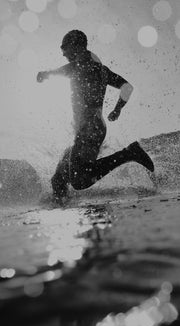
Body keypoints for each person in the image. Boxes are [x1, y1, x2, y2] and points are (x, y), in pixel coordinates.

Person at [37, 30, 154, 203]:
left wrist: (48, 73)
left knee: (79, 180)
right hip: (89, 128)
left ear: (77, 46)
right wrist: (117, 109)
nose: (63, 53)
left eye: (64, 47)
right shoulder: (101, 69)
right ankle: (61, 212)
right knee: (58, 180)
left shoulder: (85, 65)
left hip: (90, 129)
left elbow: (72, 68)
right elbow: (127, 87)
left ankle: (129, 153)